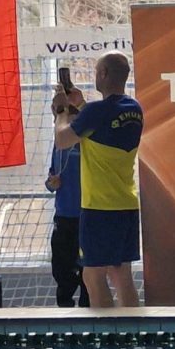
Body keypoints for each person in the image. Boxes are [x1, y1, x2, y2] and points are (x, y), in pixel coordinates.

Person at [53, 52, 143, 308]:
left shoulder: (96, 111)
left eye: (95, 71)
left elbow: (62, 140)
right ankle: (134, 329)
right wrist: (80, 105)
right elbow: (104, 125)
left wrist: (61, 111)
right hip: (126, 204)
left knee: (92, 276)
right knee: (122, 275)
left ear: (103, 74)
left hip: (99, 208)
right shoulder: (134, 109)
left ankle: (108, 332)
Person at [46, 136, 89, 308]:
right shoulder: (59, 145)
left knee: (89, 270)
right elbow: (51, 178)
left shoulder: (89, 141)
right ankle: (64, 309)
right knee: (61, 268)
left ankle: (88, 309)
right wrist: (52, 183)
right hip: (63, 215)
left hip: (88, 214)